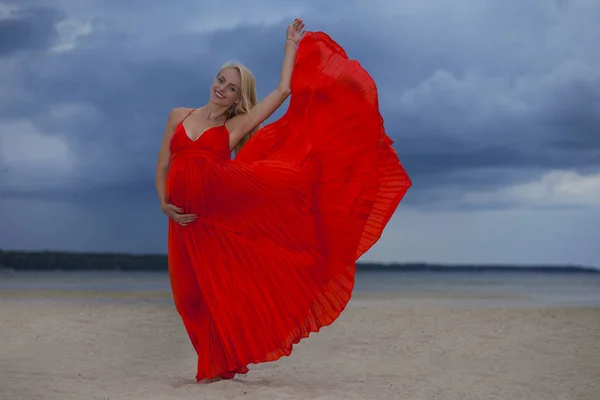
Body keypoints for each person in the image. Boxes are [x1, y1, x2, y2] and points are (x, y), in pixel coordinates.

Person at [155, 19, 412, 383]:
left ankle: (216, 366)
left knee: (215, 292)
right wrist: (164, 203)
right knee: (187, 298)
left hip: (217, 211)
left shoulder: (234, 127)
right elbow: (164, 164)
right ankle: (219, 359)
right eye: (220, 80)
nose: (222, 88)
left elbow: (282, 92)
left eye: (231, 88)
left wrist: (290, 43)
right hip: (182, 219)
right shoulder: (178, 116)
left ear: (237, 97)